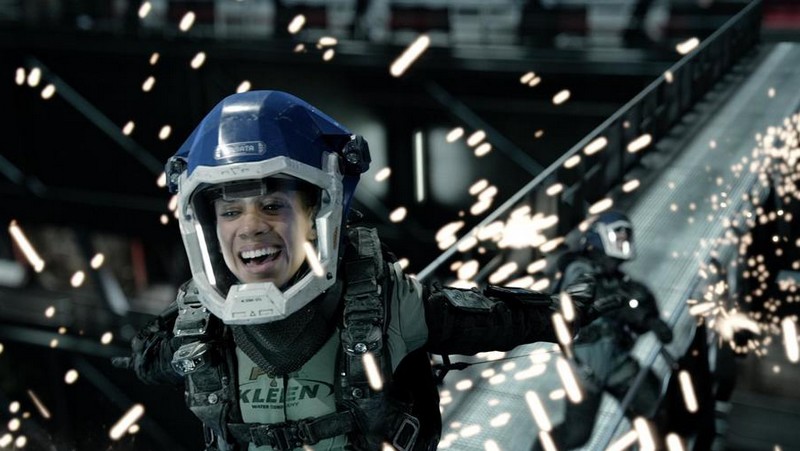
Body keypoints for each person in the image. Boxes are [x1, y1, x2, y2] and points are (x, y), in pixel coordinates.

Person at [117, 90, 621, 451]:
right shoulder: (195, 325)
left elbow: (492, 318)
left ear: (317, 215)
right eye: (230, 211)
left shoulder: (387, 304)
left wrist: (572, 310)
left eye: (272, 206)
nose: (250, 227)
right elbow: (145, 359)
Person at [533, 211, 673, 450]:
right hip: (586, 368)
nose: (624, 241)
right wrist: (644, 317)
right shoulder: (578, 269)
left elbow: (636, 306)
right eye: (619, 235)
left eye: (626, 236)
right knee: (576, 435)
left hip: (617, 363)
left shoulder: (619, 280)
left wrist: (649, 317)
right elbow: (599, 297)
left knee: (653, 410)